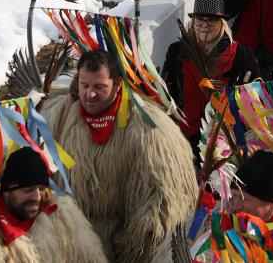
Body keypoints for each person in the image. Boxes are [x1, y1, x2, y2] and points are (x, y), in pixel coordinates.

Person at [41, 50, 197, 263]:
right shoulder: (57, 118)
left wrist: (126, 248)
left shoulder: (148, 130)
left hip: (117, 247)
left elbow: (159, 205)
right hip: (69, 241)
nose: (90, 95)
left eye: (99, 87)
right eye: (85, 86)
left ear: (117, 85)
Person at [161, 0, 260, 152]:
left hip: (225, 141)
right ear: (193, 21)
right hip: (183, 138)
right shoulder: (176, 52)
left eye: (211, 20)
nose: (204, 25)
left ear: (222, 23)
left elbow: (255, 97)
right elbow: (166, 91)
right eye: (200, 20)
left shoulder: (241, 55)